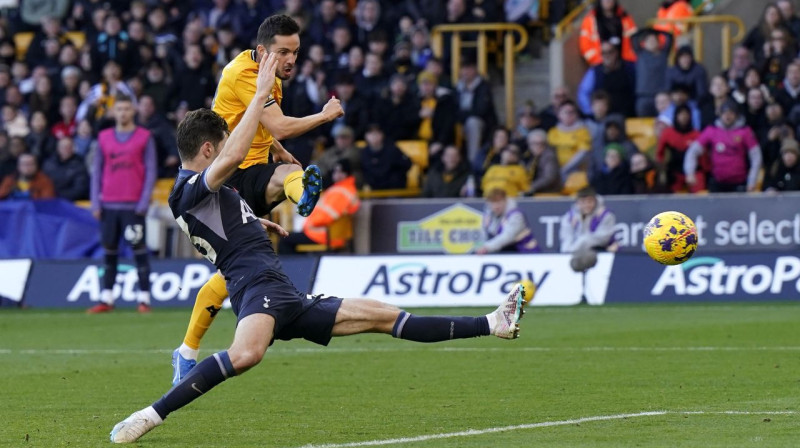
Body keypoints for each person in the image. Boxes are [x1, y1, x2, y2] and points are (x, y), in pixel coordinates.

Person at [109, 56, 525, 443]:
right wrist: (259, 97)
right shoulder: (186, 190)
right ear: (207, 151)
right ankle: (151, 414)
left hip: (283, 291)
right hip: (256, 285)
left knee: (384, 316)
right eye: (222, 147)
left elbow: (222, 220)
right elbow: (234, 156)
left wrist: (256, 220)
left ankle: (492, 323)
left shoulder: (209, 196)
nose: (230, 155)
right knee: (247, 354)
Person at [169, 14, 346, 384]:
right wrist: (325, 115)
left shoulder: (265, 70)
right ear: (263, 50)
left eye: (295, 51)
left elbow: (263, 124)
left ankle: (186, 351)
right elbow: (277, 122)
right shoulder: (247, 74)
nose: (291, 60)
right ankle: (303, 197)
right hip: (231, 173)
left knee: (235, 269)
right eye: (284, 51)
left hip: (250, 169)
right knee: (288, 179)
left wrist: (277, 148)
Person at [87, 94, 156, 314]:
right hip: (109, 204)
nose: (123, 113)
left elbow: (151, 170)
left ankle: (144, 299)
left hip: (133, 205)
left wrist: (144, 201)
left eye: (127, 108)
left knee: (139, 250)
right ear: (113, 112)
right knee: (109, 250)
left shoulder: (145, 137)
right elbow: (96, 171)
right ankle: (106, 298)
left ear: (133, 111)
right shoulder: (104, 137)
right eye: (119, 109)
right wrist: (95, 202)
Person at [279, 159, 361, 253]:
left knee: (285, 240)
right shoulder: (347, 189)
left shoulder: (340, 192)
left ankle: (292, 268)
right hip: (330, 234)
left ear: (346, 173)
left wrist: (309, 224)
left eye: (339, 171)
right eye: (335, 171)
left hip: (322, 234)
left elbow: (326, 216)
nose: (335, 174)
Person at [684, 100, 762, 193]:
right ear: (720, 114)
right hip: (717, 182)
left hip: (739, 183)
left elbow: (756, 156)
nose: (728, 116)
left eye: (731, 113)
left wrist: (752, 181)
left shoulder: (745, 131)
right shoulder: (711, 130)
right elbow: (693, 151)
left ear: (736, 115)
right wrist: (690, 172)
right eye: (725, 113)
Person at [559, 187, 617, 273]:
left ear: (595, 201)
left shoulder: (605, 215)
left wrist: (582, 241)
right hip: (574, 253)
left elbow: (603, 238)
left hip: (598, 252)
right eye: (583, 202)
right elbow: (566, 238)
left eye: (590, 202)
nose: (586, 205)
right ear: (577, 203)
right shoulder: (569, 217)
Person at [577, 42, 636, 118]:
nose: (607, 55)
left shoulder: (630, 68)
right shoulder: (595, 71)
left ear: (616, 53)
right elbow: (583, 93)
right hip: (604, 119)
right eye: (603, 53)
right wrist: (591, 112)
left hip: (628, 115)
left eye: (610, 52)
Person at [475, 188, 539, 254]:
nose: (496, 206)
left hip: (527, 254)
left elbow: (508, 236)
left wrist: (486, 247)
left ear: (505, 201)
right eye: (493, 203)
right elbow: (484, 235)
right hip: (508, 254)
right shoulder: (490, 215)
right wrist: (479, 247)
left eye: (499, 202)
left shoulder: (516, 215)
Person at [657, 104, 703, 192]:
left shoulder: (696, 134)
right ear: (676, 116)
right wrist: (662, 171)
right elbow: (660, 154)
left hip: (694, 171)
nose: (683, 117)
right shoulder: (668, 133)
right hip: (674, 172)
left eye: (686, 114)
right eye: (681, 114)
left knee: (700, 193)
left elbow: (702, 157)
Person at [578, 0, 637, 66]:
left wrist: (629, 61)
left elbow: (635, 42)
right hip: (600, 66)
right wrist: (599, 62)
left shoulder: (625, 18)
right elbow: (585, 47)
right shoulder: (590, 20)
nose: (608, 1)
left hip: (624, 65)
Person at [631, 28, 673, 117]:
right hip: (644, 96)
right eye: (649, 41)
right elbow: (633, 38)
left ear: (658, 43)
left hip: (661, 96)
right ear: (644, 43)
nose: (652, 43)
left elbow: (670, 37)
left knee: (663, 121)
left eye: (654, 40)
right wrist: (646, 31)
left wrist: (657, 31)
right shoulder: (640, 54)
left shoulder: (663, 54)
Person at [361, 124, 412, 191]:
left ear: (382, 134)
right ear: (366, 136)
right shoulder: (363, 152)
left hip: (393, 189)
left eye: (377, 133)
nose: (374, 136)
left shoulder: (393, 149)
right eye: (370, 133)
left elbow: (407, 164)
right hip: (373, 189)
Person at [523, 129, 562, 196]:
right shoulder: (531, 156)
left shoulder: (549, 156)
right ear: (529, 144)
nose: (538, 147)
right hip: (536, 191)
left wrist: (531, 187)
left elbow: (549, 178)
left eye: (541, 144)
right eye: (534, 144)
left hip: (548, 193)